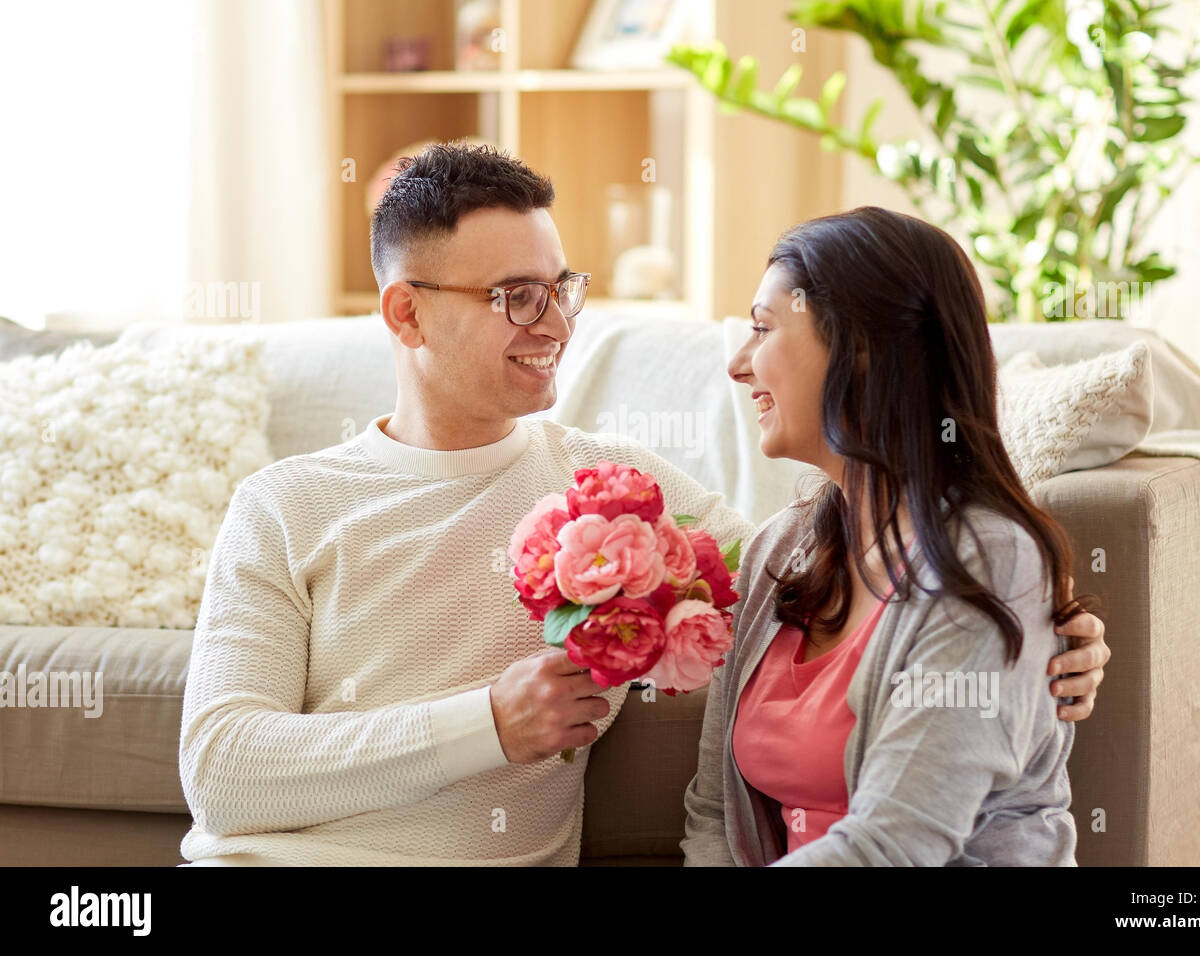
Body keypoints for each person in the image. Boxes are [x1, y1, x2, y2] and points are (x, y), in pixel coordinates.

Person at [179, 144, 1107, 866]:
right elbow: (221, 771)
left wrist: (1050, 644)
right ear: (406, 313)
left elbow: (848, 598)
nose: (554, 324)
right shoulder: (284, 507)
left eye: (561, 288)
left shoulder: (624, 495)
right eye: (515, 296)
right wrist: (487, 728)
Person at [683, 206, 1108, 866]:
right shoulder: (777, 552)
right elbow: (714, 811)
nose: (738, 366)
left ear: (861, 351)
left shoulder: (987, 562)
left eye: (763, 330)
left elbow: (897, 842)